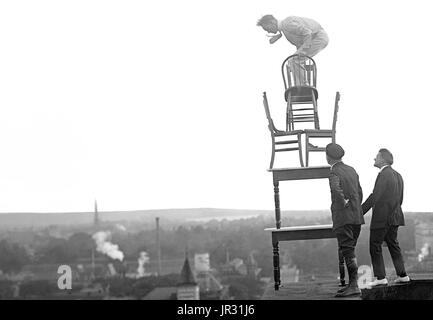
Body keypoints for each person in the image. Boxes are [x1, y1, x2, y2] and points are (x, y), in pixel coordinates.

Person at [362, 148, 410, 287]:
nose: (374, 159)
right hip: (395, 217)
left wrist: (359, 212)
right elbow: (400, 199)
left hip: (382, 218)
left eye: (376, 156)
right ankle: (403, 275)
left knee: (375, 246)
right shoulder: (398, 175)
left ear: (382, 159)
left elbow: (375, 196)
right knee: (393, 245)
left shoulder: (383, 174)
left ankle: (381, 277)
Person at [326, 143, 364, 297]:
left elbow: (336, 189)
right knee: (350, 251)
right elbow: (360, 192)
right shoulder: (352, 170)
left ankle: (354, 285)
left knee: (348, 252)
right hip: (356, 217)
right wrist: (355, 208)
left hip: (343, 218)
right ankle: (352, 284)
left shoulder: (334, 172)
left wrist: (343, 202)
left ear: (328, 157)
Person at [256, 15, 329, 85]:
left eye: (266, 28)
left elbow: (307, 33)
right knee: (294, 61)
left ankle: (302, 86)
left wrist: (300, 53)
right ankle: (302, 84)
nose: (268, 32)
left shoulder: (287, 24)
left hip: (318, 37)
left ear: (272, 22)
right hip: (316, 38)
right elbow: (301, 44)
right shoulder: (285, 28)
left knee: (293, 60)